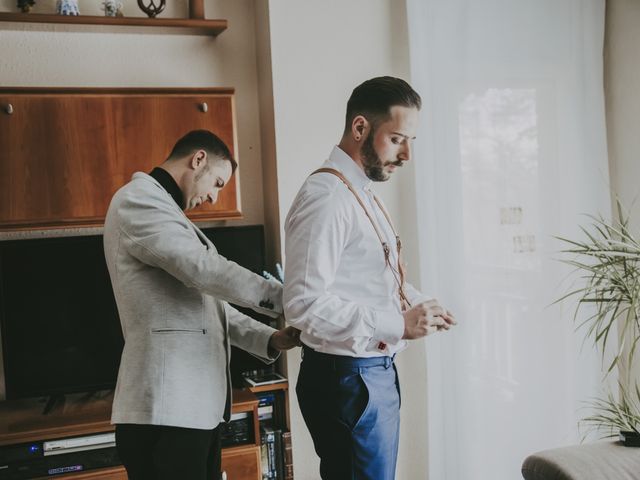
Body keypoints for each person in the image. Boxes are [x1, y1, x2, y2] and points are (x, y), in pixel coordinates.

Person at [283, 76, 456, 479]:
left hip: (368, 373)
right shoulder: (327, 197)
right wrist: (398, 324)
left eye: (410, 141)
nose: (407, 154)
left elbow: (368, 277)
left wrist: (416, 304)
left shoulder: (358, 191)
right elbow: (304, 305)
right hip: (349, 379)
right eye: (397, 139)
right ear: (360, 128)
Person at [103, 129, 300, 480]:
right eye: (218, 183)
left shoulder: (167, 214)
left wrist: (270, 338)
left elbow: (211, 308)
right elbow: (204, 270)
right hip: (164, 414)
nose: (213, 197)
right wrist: (284, 297)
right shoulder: (138, 200)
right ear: (198, 160)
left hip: (192, 412)